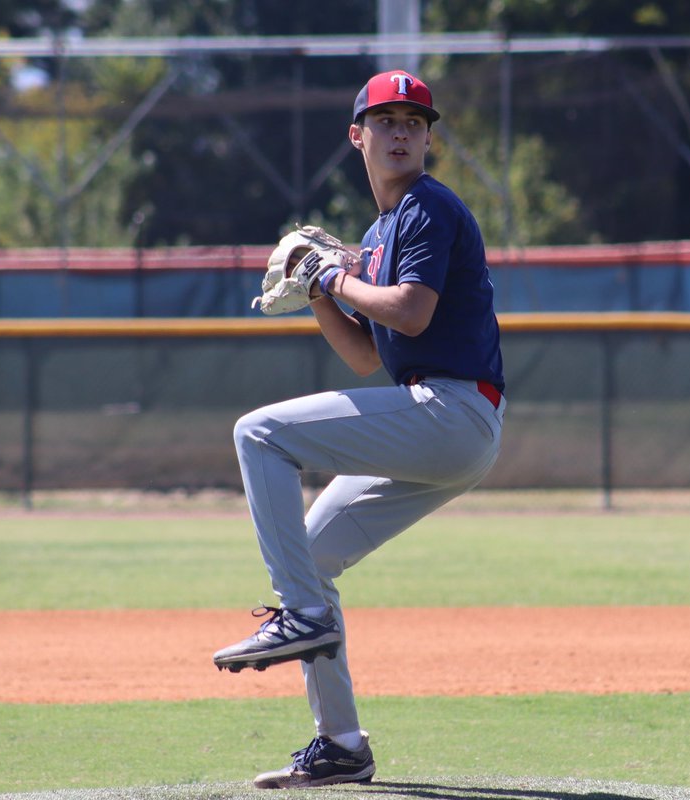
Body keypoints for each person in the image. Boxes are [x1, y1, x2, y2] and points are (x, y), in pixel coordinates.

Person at [212, 69, 506, 789]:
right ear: (358, 135)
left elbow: (408, 313)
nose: (401, 131)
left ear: (429, 139)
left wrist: (333, 275)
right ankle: (341, 743)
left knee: (259, 433)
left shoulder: (427, 208)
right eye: (386, 120)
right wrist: (319, 289)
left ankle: (301, 614)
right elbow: (369, 354)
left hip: (452, 410)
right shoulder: (381, 231)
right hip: (440, 419)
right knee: (309, 557)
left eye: (415, 121)